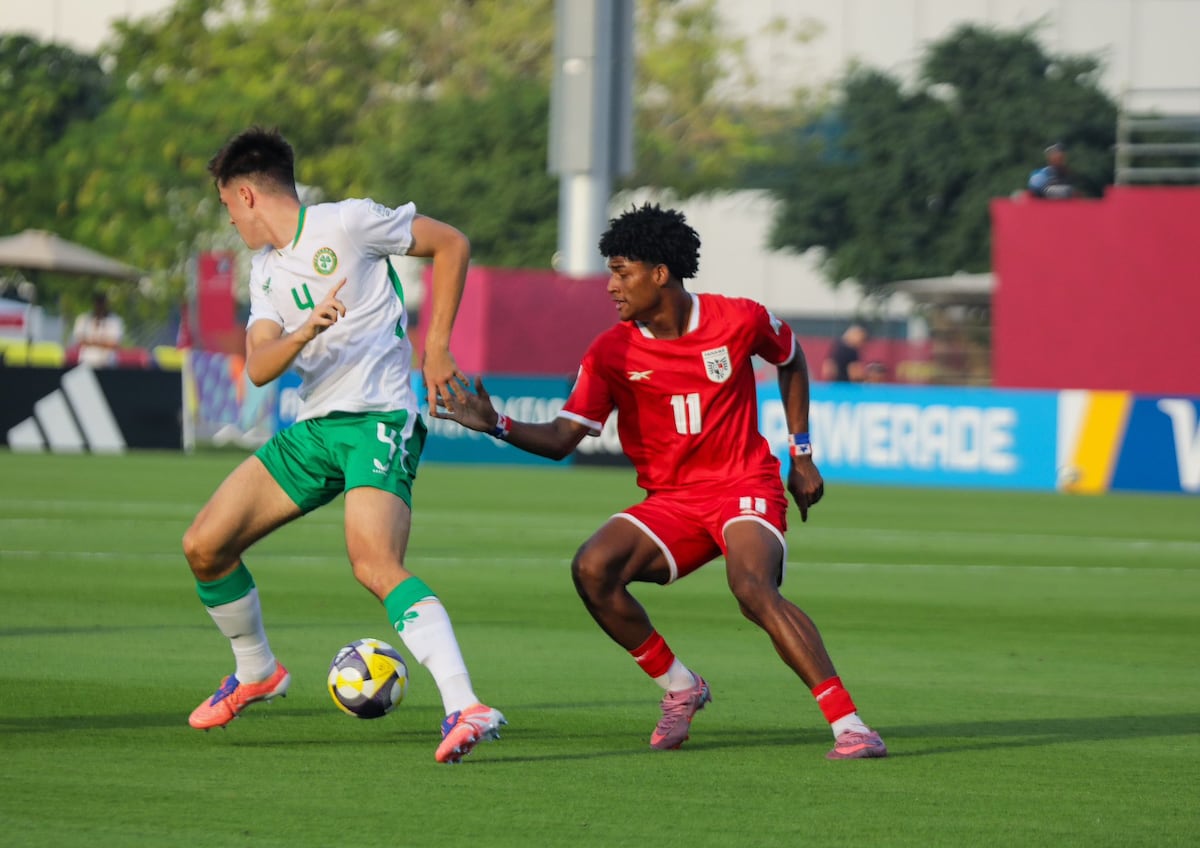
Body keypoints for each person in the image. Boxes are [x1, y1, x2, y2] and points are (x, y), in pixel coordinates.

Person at [435, 203, 886, 760]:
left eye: (622, 272)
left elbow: (791, 360)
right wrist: (496, 425)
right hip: (673, 502)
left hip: (743, 483)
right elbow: (560, 440)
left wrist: (802, 453)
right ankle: (680, 687)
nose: (611, 286)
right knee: (593, 569)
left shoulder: (739, 318)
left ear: (660, 273)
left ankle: (851, 726)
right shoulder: (611, 351)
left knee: (750, 587)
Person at [182, 126, 504, 764]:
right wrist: (302, 332)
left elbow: (451, 244)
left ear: (245, 195)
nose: (231, 220)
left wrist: (434, 348)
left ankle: (467, 705)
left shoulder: (348, 223)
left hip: (379, 419)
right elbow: (260, 363)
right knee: (205, 547)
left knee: (373, 563)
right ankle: (257, 673)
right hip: (316, 430)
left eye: (225, 206)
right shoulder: (268, 270)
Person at [71, 291, 124, 367]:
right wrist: (103, 341)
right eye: (98, 302)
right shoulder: (83, 319)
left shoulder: (115, 320)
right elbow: (79, 341)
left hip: (109, 363)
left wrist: (91, 341)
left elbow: (115, 344)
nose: (100, 305)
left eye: (102, 302)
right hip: (87, 362)